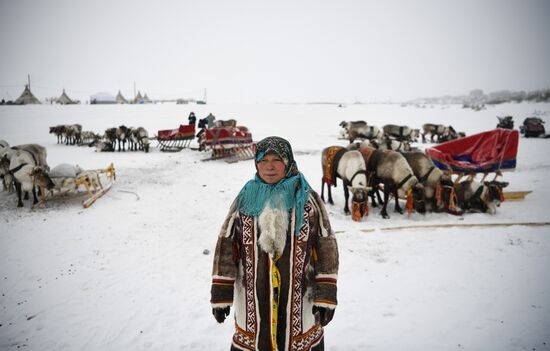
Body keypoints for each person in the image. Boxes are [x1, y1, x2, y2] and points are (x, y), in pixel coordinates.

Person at [210, 136, 339, 351]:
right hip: (252, 302)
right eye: (263, 160)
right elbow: (227, 245)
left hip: (301, 303)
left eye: (276, 160)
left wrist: (326, 294)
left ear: (287, 162)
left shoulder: (307, 200)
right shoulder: (245, 198)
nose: (269, 166)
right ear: (256, 164)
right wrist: (221, 293)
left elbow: (326, 245)